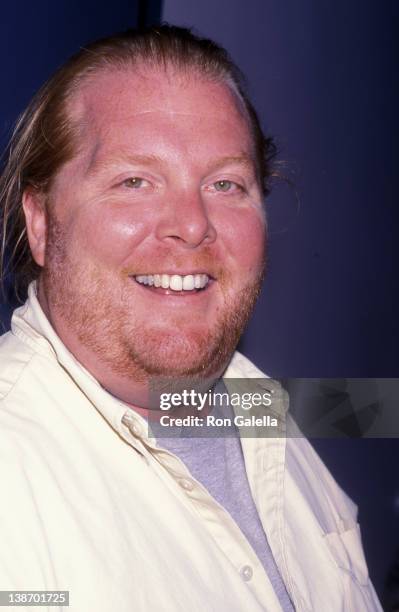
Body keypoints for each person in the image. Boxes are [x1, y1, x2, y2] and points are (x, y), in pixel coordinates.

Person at [0, 25, 381, 611]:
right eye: (135, 181)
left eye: (225, 183)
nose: (192, 223)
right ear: (43, 223)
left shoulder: (265, 408)